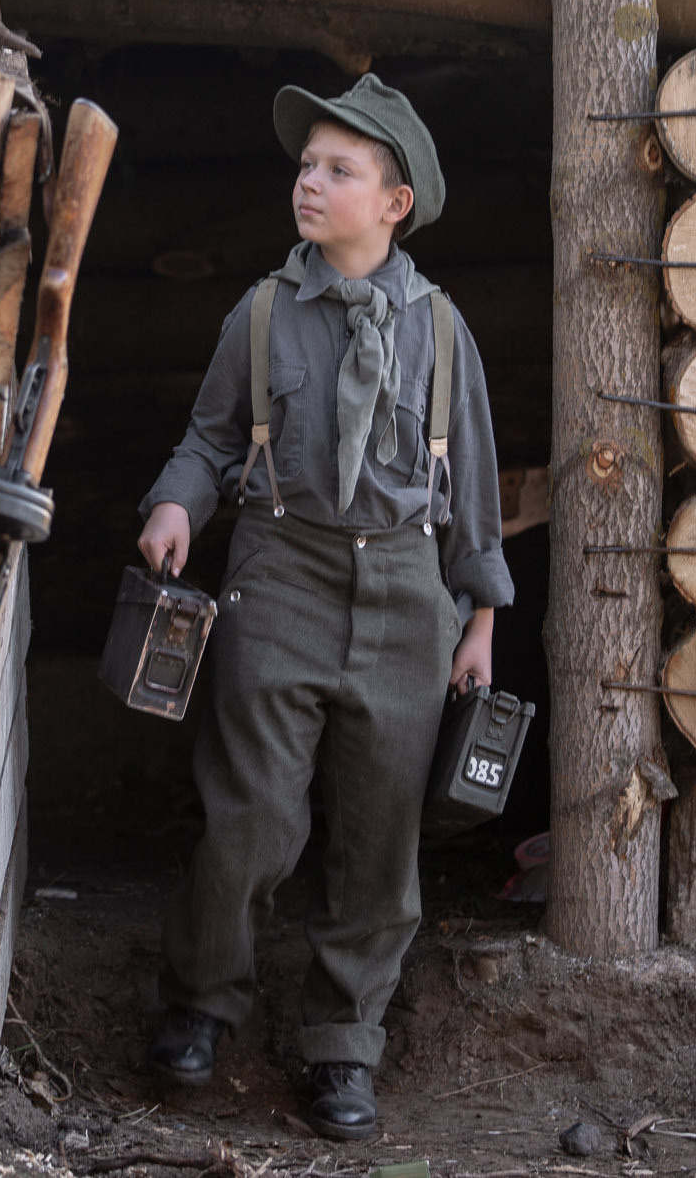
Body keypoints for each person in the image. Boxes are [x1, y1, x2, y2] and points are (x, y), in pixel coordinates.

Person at [135, 73, 513, 1139]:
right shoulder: (261, 313)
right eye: (306, 165)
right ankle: (200, 1003)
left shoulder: (443, 331)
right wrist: (176, 502)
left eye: (338, 169)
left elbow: (475, 497)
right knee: (249, 813)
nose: (309, 181)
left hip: (405, 592)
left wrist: (480, 621)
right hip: (280, 575)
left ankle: (344, 1042)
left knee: (380, 834)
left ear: (394, 202)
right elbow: (211, 437)